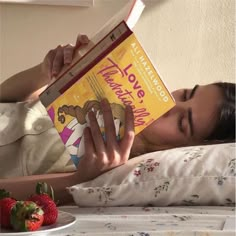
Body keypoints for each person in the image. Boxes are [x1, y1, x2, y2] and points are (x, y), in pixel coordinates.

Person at [0, 34, 235, 205]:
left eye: (182, 122)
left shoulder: (109, 167)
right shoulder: (104, 98)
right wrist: (44, 71)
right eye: (185, 94)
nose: (172, 105)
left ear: (185, 149)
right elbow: (7, 101)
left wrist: (78, 179)